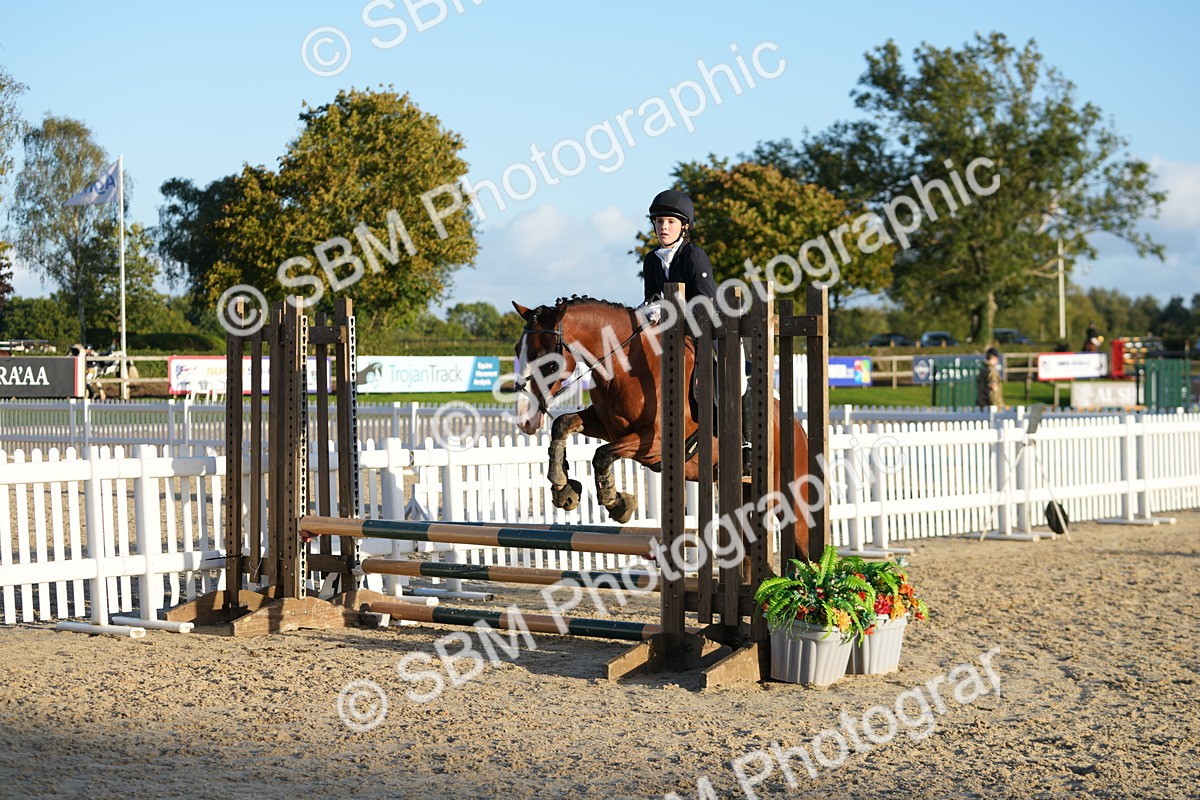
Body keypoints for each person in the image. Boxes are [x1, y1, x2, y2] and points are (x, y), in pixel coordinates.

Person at [640, 190, 753, 474]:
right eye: (658, 222)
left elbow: (706, 300)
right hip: (672, 334)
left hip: (711, 329)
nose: (663, 227)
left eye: (669, 222)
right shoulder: (652, 260)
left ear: (684, 226)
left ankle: (746, 444)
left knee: (734, 376)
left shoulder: (694, 256)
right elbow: (650, 298)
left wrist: (670, 311)